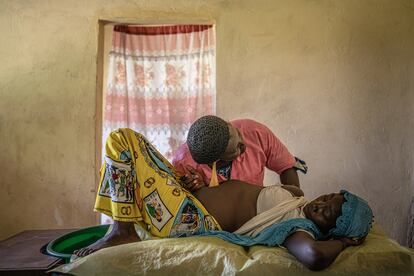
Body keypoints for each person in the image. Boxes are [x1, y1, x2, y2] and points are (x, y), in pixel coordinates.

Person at [75, 128, 373, 271]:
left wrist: (345, 242)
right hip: (187, 198)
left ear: (331, 230)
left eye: (327, 213)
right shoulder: (296, 201)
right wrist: (194, 182)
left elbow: (314, 257)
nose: (320, 205)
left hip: (188, 219)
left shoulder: (297, 227)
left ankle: (122, 231)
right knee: (133, 144)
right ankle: (122, 227)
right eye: (327, 197)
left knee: (121, 141)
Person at [172, 115, 307, 191]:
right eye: (237, 149)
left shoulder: (254, 132)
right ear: (217, 161)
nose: (244, 145)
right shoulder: (184, 163)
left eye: (237, 134)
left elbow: (286, 167)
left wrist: (294, 203)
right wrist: (199, 189)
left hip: (257, 211)